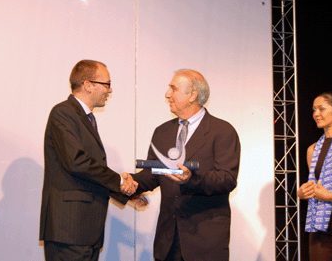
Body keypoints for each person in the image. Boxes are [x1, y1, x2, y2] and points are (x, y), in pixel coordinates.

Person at [129, 69, 241, 260]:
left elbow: (227, 179)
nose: (167, 94)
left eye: (173, 88)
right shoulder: (162, 132)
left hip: (204, 242)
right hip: (168, 242)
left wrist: (191, 180)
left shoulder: (222, 131)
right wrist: (127, 182)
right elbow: (152, 174)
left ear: (193, 95)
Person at [39, 60, 143, 261]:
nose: (109, 90)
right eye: (106, 84)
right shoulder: (63, 113)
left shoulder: (84, 118)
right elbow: (77, 162)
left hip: (85, 231)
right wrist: (121, 183)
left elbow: (88, 172)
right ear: (88, 85)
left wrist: (126, 195)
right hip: (69, 230)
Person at [297, 92, 332, 261]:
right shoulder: (312, 149)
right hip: (319, 222)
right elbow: (315, 186)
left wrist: (331, 196)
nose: (316, 114)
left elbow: (327, 193)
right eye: (314, 109)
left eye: (322, 108)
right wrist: (303, 193)